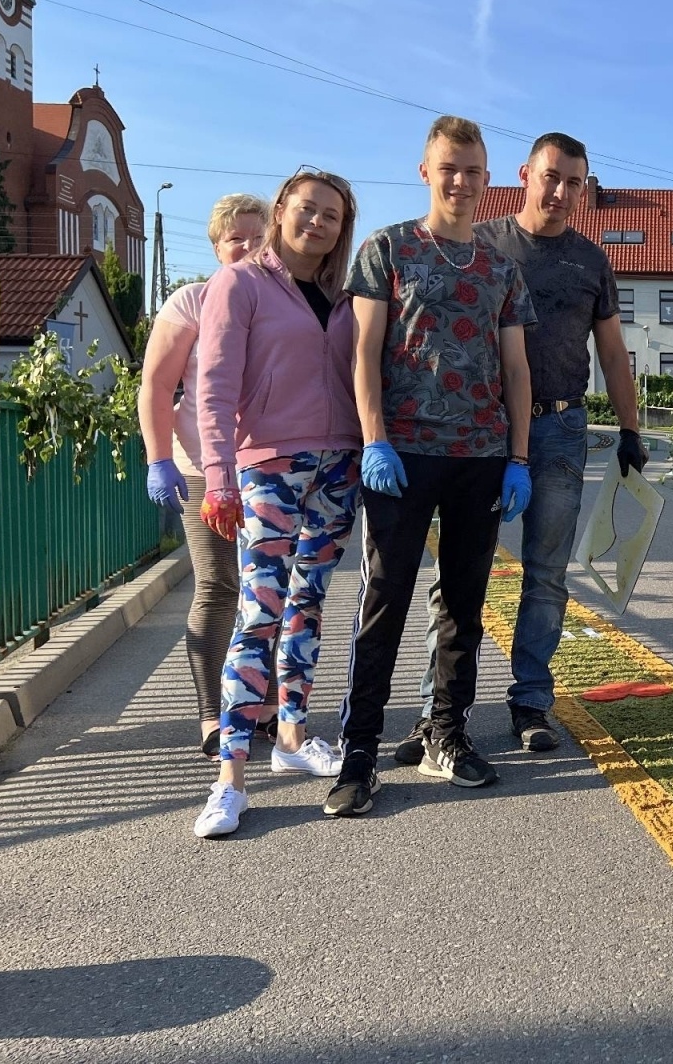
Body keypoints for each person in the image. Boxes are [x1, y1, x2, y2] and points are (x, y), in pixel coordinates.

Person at [392, 131, 644, 763]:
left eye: (573, 183)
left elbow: (612, 353)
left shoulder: (591, 260)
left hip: (559, 431)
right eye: (550, 177)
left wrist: (633, 428)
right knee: (457, 579)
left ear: (585, 192)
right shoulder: (484, 245)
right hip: (479, 431)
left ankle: (531, 700)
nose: (559, 192)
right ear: (525, 176)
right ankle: (436, 712)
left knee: (547, 576)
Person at [330, 116, 536, 817]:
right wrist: (374, 439)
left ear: (487, 178)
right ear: (427, 172)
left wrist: (518, 456)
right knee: (382, 602)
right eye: (449, 167)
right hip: (403, 455)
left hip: (480, 458)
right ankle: (359, 751)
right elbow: (363, 352)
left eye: (472, 169)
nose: (461, 180)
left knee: (465, 606)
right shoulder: (387, 249)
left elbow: (515, 367)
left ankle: (447, 732)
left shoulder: (502, 269)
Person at [190, 171, 363, 837]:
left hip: (338, 466)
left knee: (308, 605)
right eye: (308, 209)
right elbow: (214, 384)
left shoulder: (342, 297)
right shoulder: (240, 284)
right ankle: (230, 777)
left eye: (332, 216)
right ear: (281, 210)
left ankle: (291, 737)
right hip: (268, 466)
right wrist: (219, 476)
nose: (318, 223)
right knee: (257, 613)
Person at [138, 194, 267, 760]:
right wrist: (158, 458)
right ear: (217, 247)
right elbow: (158, 386)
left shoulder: (276, 300)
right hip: (204, 475)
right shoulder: (191, 301)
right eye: (235, 238)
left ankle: (260, 705)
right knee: (218, 589)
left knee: (269, 592)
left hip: (269, 471)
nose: (247, 246)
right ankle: (211, 714)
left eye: (257, 236)